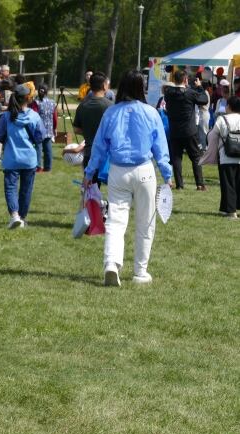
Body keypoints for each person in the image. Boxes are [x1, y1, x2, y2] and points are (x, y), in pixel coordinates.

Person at [83, 70, 173, 286]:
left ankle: (111, 263)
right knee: (145, 222)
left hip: (117, 171)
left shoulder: (111, 113)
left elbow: (99, 147)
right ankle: (140, 271)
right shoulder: (151, 113)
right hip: (144, 171)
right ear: (141, 88)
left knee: (116, 220)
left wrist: (89, 172)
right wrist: (167, 174)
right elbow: (161, 147)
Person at [0, 84, 45, 229]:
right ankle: (22, 217)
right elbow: (40, 137)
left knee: (11, 188)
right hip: (29, 159)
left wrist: (8, 141)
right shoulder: (34, 116)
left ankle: (15, 215)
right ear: (28, 98)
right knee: (26, 189)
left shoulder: (6, 117)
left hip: (11, 158)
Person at [164, 70, 208, 190]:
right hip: (189, 131)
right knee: (195, 157)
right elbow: (204, 100)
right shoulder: (190, 93)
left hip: (175, 130)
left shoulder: (168, 93)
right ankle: (199, 184)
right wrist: (199, 87)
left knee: (177, 158)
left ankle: (179, 185)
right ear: (185, 80)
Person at [205, 96, 240, 219]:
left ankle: (231, 212)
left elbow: (212, 136)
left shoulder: (222, 119)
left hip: (226, 156)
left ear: (229, 107)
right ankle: (227, 208)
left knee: (228, 183)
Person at [73, 71, 113, 175]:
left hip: (89, 153)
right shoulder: (110, 106)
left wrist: (89, 132)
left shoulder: (83, 105)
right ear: (104, 86)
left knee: (89, 188)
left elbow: (76, 129)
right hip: (106, 154)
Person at [32, 83, 57, 173]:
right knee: (48, 149)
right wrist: (55, 128)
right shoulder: (52, 102)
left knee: (38, 148)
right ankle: (48, 167)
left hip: (38, 129)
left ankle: (38, 166)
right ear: (47, 92)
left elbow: (34, 115)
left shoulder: (36, 103)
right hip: (49, 129)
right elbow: (54, 117)